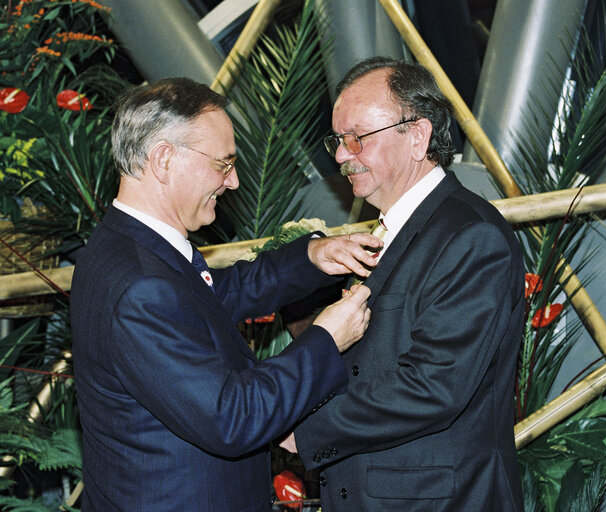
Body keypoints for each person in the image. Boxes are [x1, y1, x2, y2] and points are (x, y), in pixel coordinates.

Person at [69, 78, 382, 511]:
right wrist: (326, 339)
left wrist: (310, 257)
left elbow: (209, 298)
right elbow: (233, 418)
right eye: (223, 164)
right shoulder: (141, 285)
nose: (233, 182)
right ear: (164, 159)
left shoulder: (124, 246)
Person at [281, 57, 525, 511]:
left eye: (356, 138)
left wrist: (305, 429)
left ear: (418, 136)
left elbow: (435, 384)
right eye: (337, 140)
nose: (339, 155)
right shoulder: (392, 231)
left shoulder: (471, 236)